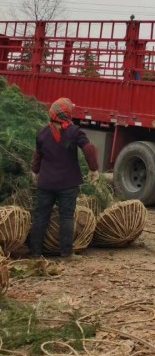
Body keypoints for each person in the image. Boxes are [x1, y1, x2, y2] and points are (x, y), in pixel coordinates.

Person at [29, 97, 99, 259]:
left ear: (52, 113)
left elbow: (37, 157)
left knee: (40, 216)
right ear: (68, 114)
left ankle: (35, 252)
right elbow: (88, 149)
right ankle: (66, 253)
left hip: (46, 183)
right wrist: (93, 169)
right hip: (68, 184)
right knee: (66, 217)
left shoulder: (43, 133)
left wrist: (35, 172)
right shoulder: (75, 131)